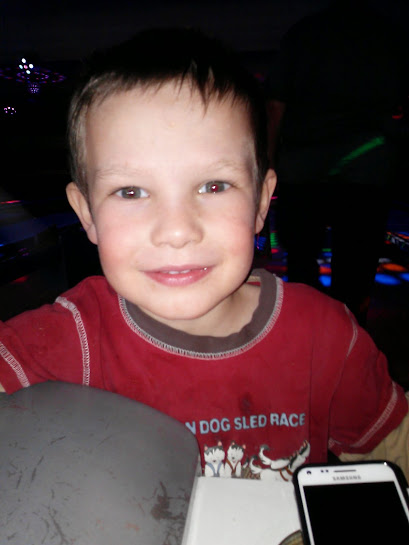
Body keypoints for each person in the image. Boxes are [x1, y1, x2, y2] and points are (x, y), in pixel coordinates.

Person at [0, 28, 408, 481]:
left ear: (260, 202)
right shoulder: (71, 337)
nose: (177, 231)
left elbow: (395, 446)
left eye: (214, 186)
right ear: (86, 214)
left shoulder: (325, 337)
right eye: (131, 192)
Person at [267, 0, 409, 326]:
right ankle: (350, 330)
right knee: (356, 261)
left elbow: (275, 105)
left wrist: (270, 162)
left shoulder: (304, 33)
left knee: (301, 258)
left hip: (303, 164)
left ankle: (307, 327)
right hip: (368, 162)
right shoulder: (387, 34)